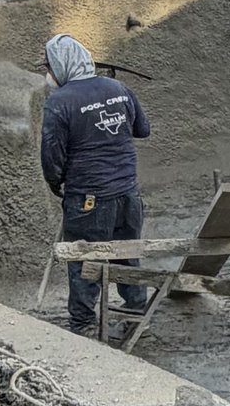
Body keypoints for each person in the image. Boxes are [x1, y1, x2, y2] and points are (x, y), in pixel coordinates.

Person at [40, 33, 152, 334]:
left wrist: (56, 183)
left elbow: (51, 155)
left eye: (48, 67)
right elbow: (143, 129)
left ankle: (84, 324)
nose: (48, 75)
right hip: (128, 194)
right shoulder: (118, 88)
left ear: (61, 66)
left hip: (88, 198)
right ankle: (135, 313)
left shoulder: (59, 102)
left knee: (84, 261)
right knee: (127, 253)